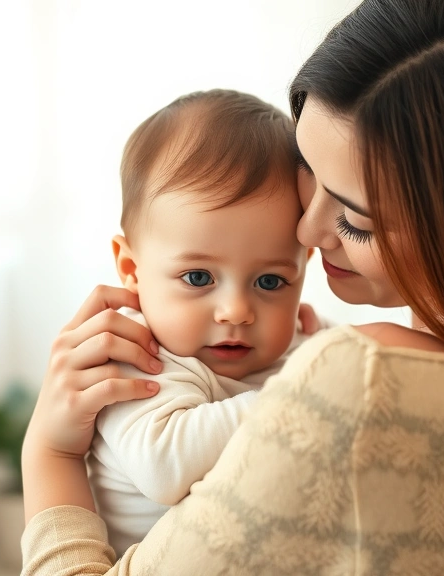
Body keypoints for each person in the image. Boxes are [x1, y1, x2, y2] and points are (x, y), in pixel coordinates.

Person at [21, 0, 444, 573]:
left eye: (353, 219)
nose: (305, 231)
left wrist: (47, 454)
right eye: (310, 178)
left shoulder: (354, 384)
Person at [89, 89, 318, 556]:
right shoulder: (137, 355)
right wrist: (315, 390)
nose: (235, 310)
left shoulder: (302, 343)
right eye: (198, 277)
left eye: (271, 282)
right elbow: (162, 464)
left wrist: (324, 353)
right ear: (132, 270)